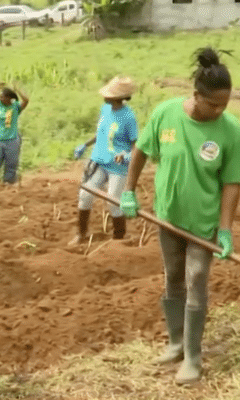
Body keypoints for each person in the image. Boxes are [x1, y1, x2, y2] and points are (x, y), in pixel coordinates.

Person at [120, 47, 240, 385]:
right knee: (173, 277)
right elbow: (141, 150)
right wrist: (128, 191)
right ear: (196, 95)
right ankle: (175, 343)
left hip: (203, 223)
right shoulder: (166, 113)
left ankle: (193, 357)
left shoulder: (231, 130)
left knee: (197, 279)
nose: (220, 110)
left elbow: (232, 183)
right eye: (213, 103)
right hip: (168, 217)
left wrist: (225, 229)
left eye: (225, 103)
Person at [69, 76, 138, 245]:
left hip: (117, 166)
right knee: (85, 195)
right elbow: (101, 133)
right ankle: (81, 234)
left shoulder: (128, 117)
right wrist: (85, 144)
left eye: (109, 94)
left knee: (113, 201)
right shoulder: (105, 109)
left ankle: (119, 238)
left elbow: (136, 144)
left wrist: (128, 156)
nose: (105, 96)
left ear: (119, 97)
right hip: (99, 160)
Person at [0, 82, 29, 185]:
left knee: (11, 164)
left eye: (2, 97)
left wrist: (17, 90)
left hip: (12, 140)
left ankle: (8, 184)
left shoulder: (15, 107)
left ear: (9, 98)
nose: (0, 98)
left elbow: (26, 100)